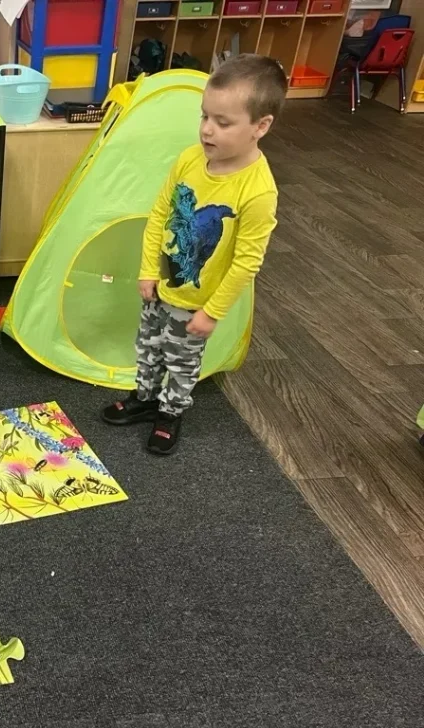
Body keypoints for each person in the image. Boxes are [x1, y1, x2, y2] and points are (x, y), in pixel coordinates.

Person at [102, 54, 285, 455]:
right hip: (160, 287)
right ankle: (145, 398)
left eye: (223, 123)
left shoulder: (257, 192)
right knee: (147, 347)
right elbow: (158, 215)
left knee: (181, 363)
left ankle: (170, 412)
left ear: (261, 126)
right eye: (205, 117)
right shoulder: (188, 159)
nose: (207, 130)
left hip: (196, 302)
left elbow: (246, 262)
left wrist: (213, 311)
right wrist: (148, 269)